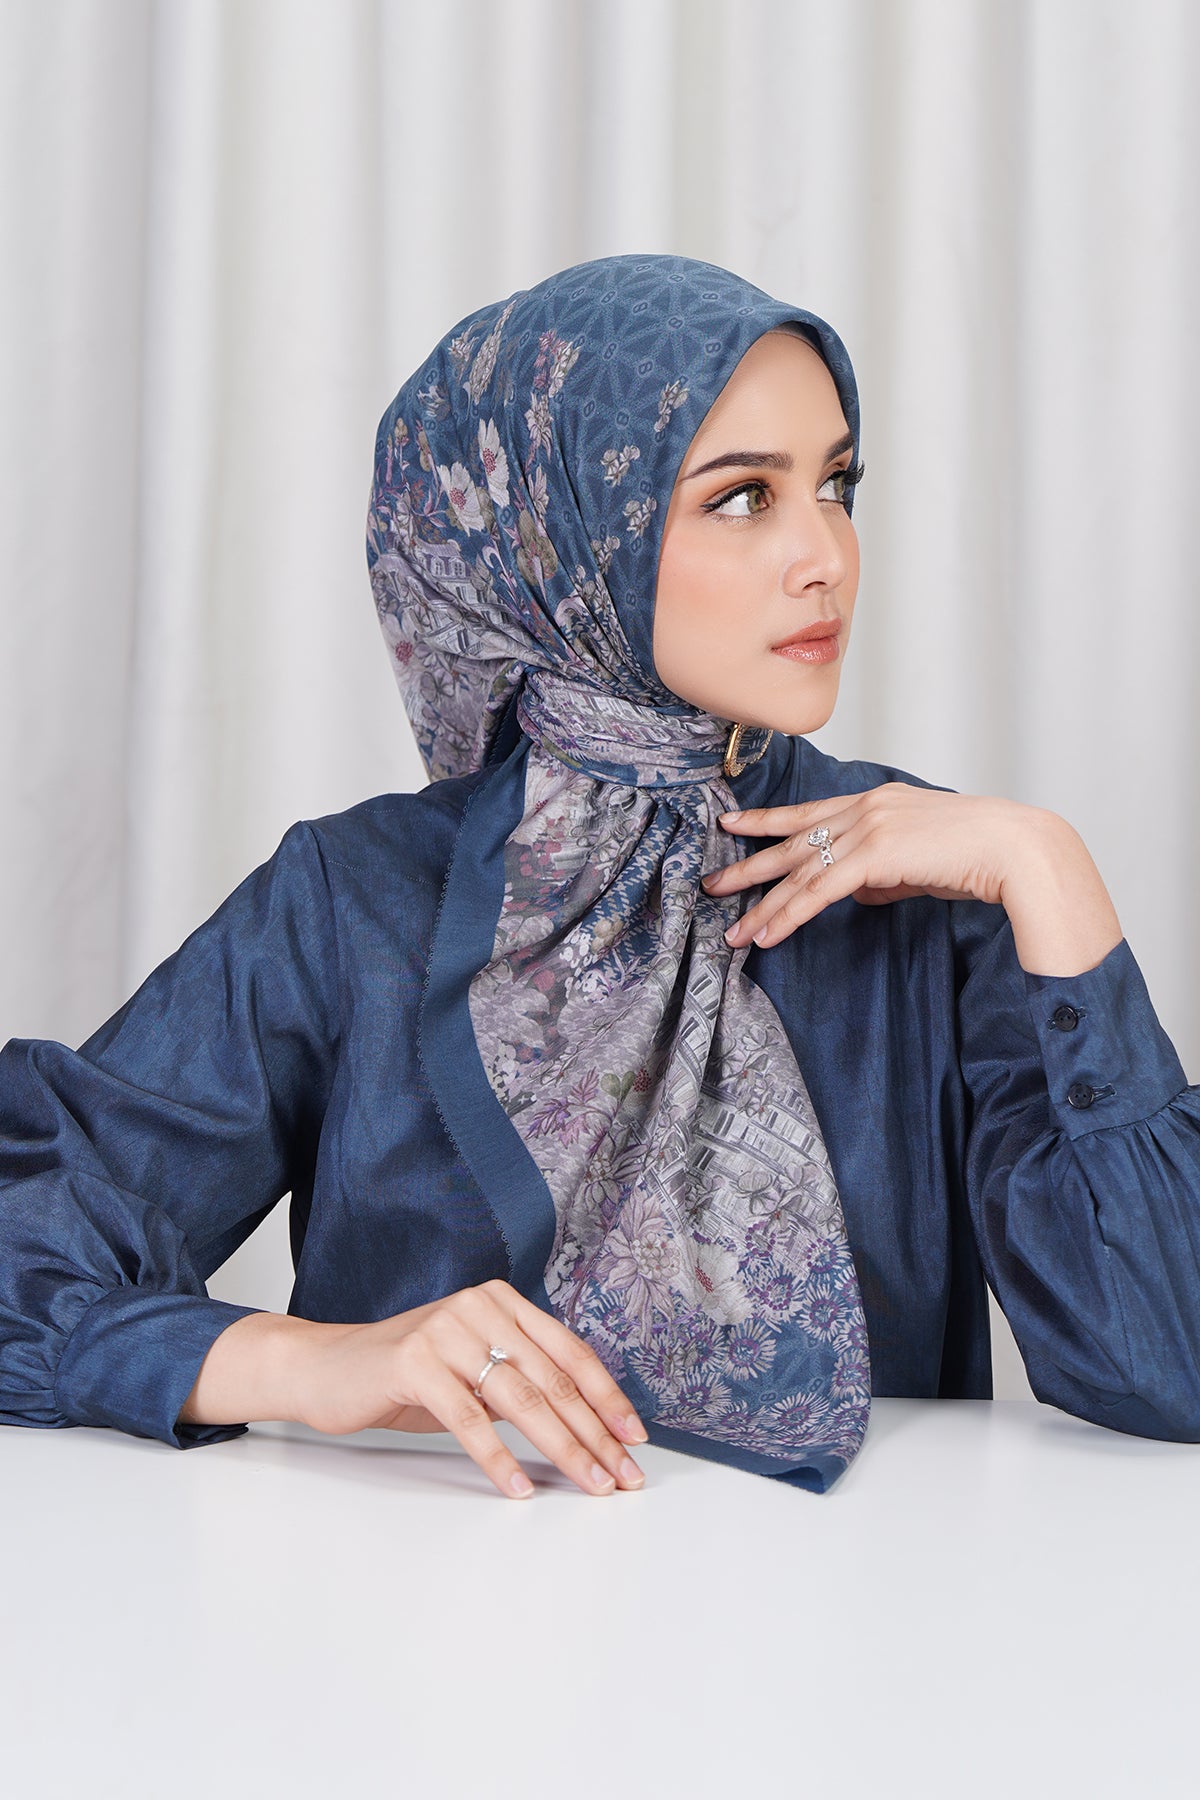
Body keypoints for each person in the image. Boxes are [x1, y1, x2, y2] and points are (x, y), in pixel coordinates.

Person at [2, 255, 1198, 1501]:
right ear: (567, 536)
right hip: (413, 1603)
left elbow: (1171, 1361)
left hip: (851, 1606)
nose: (825, 557)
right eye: (743, 498)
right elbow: (23, 1231)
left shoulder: (932, 885)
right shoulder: (358, 897)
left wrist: (1045, 865)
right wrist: (310, 1363)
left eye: (837, 486)